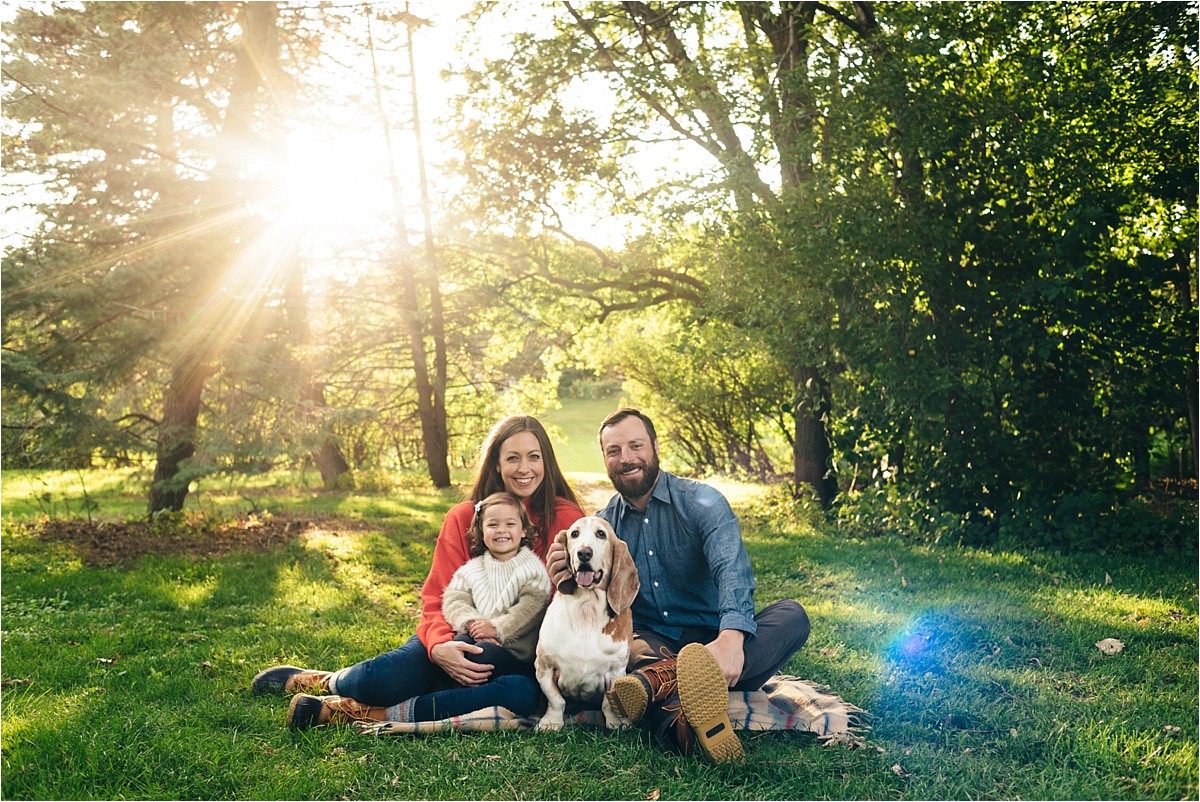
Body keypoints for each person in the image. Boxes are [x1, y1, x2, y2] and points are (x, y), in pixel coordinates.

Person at [252, 415, 584, 729]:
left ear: (546, 462)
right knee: (382, 679)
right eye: (513, 458)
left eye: (533, 457)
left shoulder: (568, 520)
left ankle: (365, 713)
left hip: (524, 656)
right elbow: (439, 597)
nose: (524, 468)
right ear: (497, 463)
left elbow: (579, 600)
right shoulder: (462, 517)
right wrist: (440, 647)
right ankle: (329, 680)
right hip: (456, 638)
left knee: (520, 695)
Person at [548, 408, 810, 763]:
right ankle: (687, 729)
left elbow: (732, 569)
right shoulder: (603, 528)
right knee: (632, 654)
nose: (626, 459)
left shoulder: (702, 502)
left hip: (715, 640)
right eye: (614, 451)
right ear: (605, 459)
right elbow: (586, 589)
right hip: (652, 640)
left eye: (636, 446)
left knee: (792, 616)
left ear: (656, 446)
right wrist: (565, 572)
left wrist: (732, 639)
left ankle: (657, 686)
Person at [441, 491, 552, 671]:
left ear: (523, 530)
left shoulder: (533, 571)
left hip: (515, 656)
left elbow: (530, 609)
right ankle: (468, 694)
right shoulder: (472, 569)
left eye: (510, 524)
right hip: (477, 637)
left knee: (483, 654)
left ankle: (425, 701)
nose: (501, 530)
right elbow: (454, 601)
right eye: (492, 524)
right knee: (460, 644)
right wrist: (472, 624)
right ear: (481, 530)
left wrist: (495, 628)